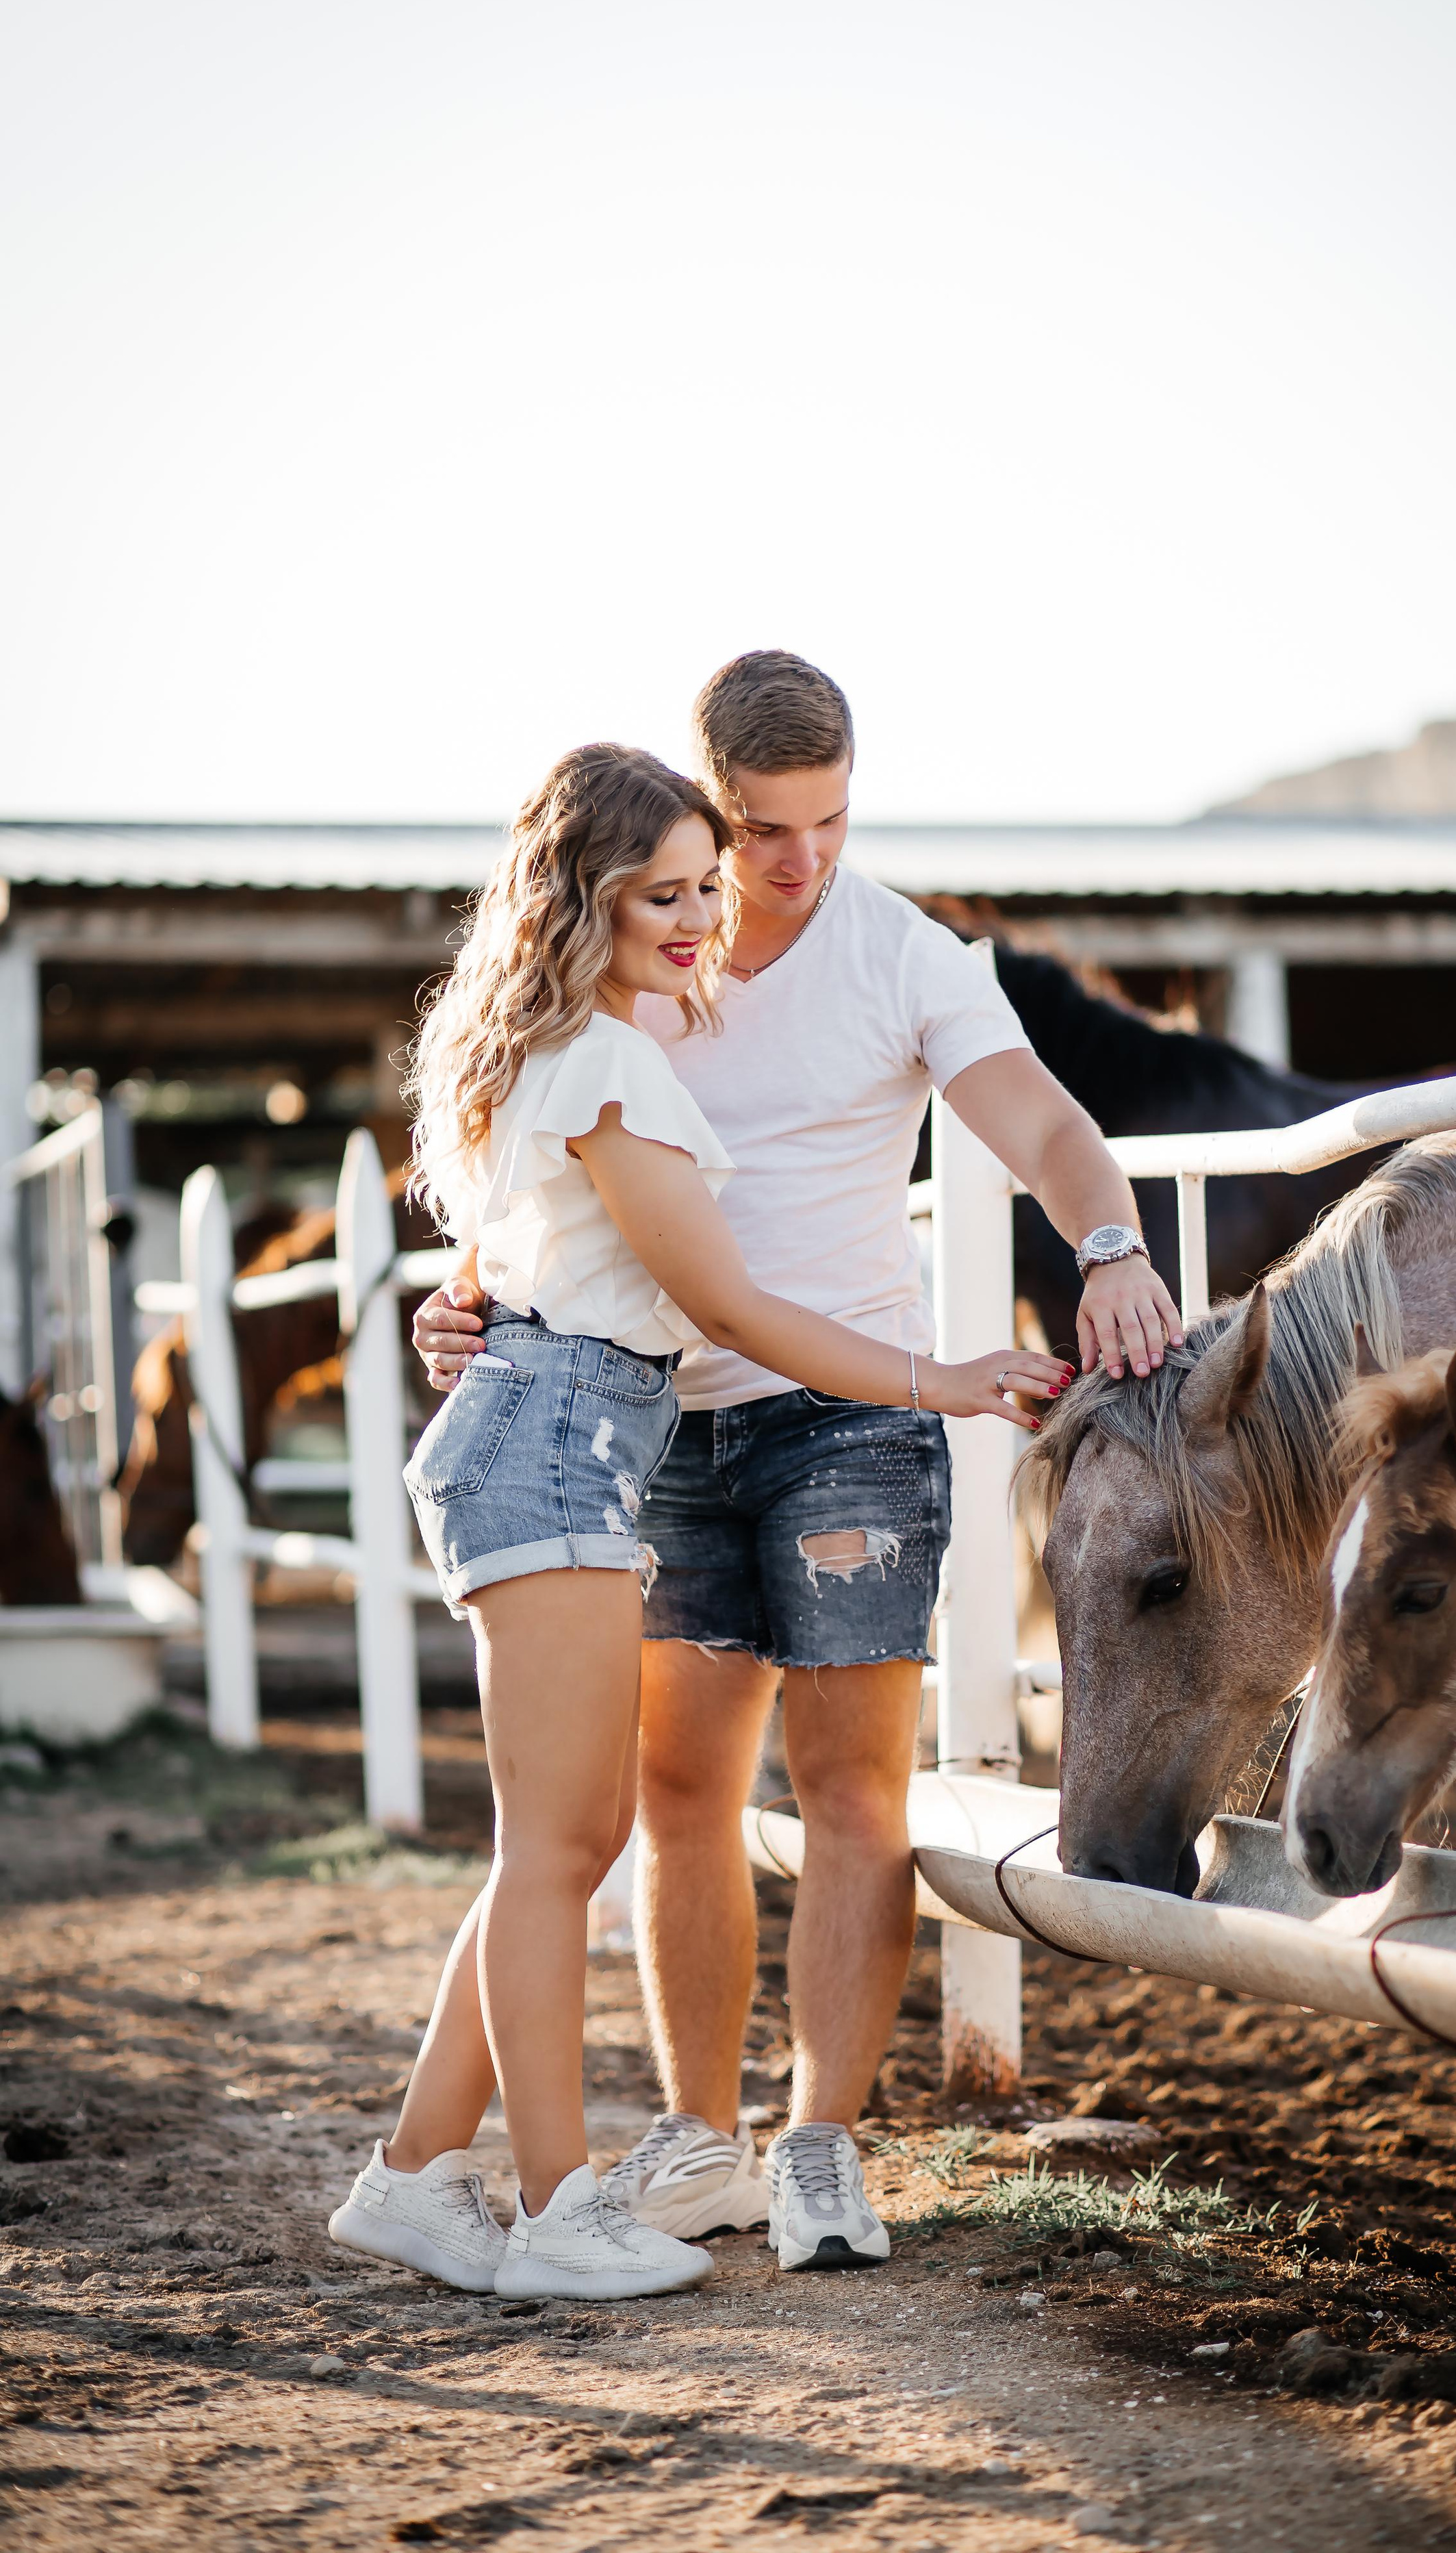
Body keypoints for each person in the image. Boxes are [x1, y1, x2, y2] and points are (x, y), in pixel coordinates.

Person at [414, 657, 1180, 2273]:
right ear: (701, 807)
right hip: (654, 1427)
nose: (797, 862)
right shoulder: (641, 949)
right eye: (760, 829)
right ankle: (699, 2140)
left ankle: (821, 2141)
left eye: (829, 822)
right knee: (679, 1793)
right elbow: (547, 1176)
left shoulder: (902, 955)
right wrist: (476, 1294)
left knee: (847, 1789)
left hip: (853, 1424)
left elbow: (1045, 1125)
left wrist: (1108, 1243)